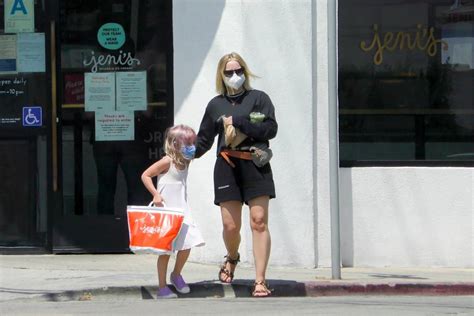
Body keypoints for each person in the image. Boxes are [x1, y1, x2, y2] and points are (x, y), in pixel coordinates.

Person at [195, 52, 278, 297]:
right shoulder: (215, 104)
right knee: (230, 226)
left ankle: (260, 280)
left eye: (239, 70)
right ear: (222, 75)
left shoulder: (259, 99)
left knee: (259, 221)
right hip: (226, 164)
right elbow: (204, 140)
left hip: (254, 163)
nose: (235, 76)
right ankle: (232, 257)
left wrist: (240, 121)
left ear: (245, 71)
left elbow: (270, 129)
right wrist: (184, 153)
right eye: (229, 72)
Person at [141, 124, 205, 299]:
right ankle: (162, 287)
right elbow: (145, 175)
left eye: (191, 142)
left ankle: (176, 274)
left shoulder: (185, 161)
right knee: (166, 250)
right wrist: (155, 194)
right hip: (167, 209)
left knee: (189, 242)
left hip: (182, 208)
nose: (190, 146)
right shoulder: (166, 161)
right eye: (187, 142)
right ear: (175, 143)